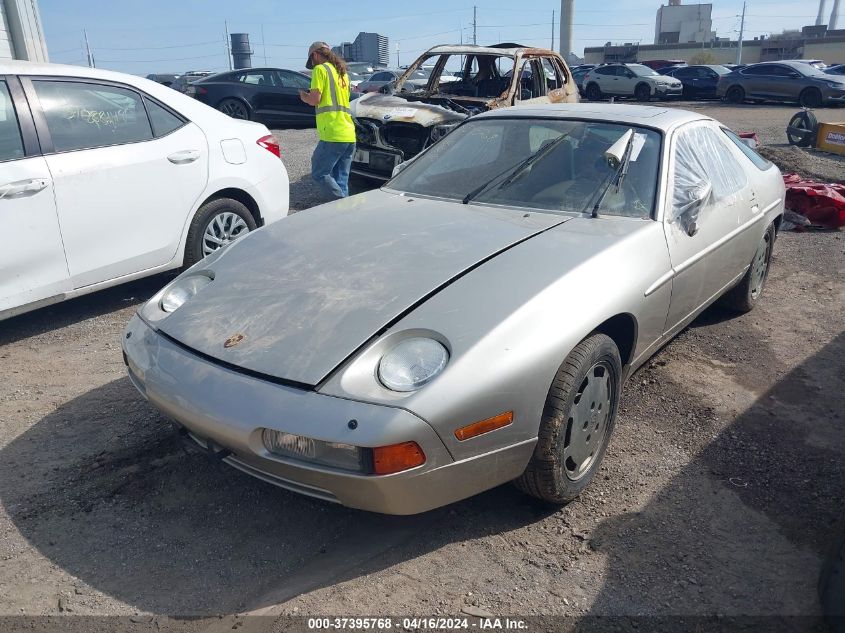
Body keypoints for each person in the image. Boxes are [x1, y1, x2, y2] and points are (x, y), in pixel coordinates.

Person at [298, 41, 356, 199]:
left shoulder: (320, 69)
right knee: (341, 180)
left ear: (315, 55)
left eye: (311, 60)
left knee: (319, 173)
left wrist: (304, 97)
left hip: (333, 133)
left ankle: (341, 204)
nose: (312, 64)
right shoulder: (343, 73)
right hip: (349, 133)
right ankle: (344, 215)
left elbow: (315, 100)